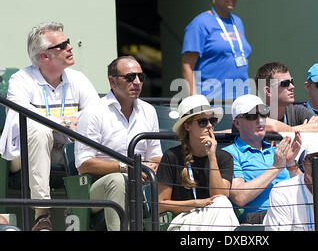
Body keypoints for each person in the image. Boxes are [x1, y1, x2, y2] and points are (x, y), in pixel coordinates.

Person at [0, 21, 99, 231]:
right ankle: (41, 214)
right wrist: (63, 123)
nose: (70, 47)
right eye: (62, 45)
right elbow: (20, 116)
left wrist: (78, 120)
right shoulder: (21, 79)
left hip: (65, 150)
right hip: (25, 152)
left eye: (68, 42)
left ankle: (89, 212)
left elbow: (98, 115)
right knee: (39, 130)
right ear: (44, 56)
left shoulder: (78, 78)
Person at [75, 56, 162, 231]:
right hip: (97, 187)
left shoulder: (149, 111)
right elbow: (83, 164)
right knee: (119, 180)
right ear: (112, 81)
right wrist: (126, 168)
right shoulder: (93, 112)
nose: (137, 82)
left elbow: (156, 154)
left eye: (140, 77)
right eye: (130, 77)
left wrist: (153, 166)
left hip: (141, 181)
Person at [156, 94, 239, 231]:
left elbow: (220, 195)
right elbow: (161, 204)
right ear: (187, 126)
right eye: (202, 122)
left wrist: (212, 157)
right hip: (183, 219)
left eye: (212, 120)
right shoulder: (172, 156)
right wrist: (196, 203)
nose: (209, 126)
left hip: (214, 217)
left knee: (222, 203)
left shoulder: (224, 157)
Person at [222, 94, 302, 224]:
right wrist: (275, 168)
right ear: (237, 122)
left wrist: (291, 163)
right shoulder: (229, 153)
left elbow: (306, 188)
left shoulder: (277, 151)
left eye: (263, 114)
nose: (260, 120)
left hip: (294, 214)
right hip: (261, 218)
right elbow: (239, 197)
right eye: (252, 116)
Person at [181, 0, 251, 100]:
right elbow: (187, 65)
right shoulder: (199, 24)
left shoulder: (237, 22)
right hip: (213, 102)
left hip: (241, 102)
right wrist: (195, 99)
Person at [254, 62, 318, 133]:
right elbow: (271, 125)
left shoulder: (297, 111)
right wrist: (304, 129)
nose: (292, 86)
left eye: (291, 81)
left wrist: (290, 130)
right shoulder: (253, 114)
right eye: (285, 83)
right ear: (268, 91)